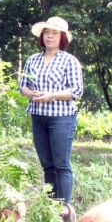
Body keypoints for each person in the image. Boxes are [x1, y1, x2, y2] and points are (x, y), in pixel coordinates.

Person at [18, 17, 83, 205]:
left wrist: (51, 95)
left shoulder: (69, 61)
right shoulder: (32, 60)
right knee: (47, 165)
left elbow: (76, 90)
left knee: (61, 165)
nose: (50, 36)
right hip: (39, 116)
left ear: (62, 37)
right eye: (47, 32)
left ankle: (64, 208)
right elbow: (23, 86)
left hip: (61, 118)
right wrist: (32, 94)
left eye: (55, 33)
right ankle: (51, 206)